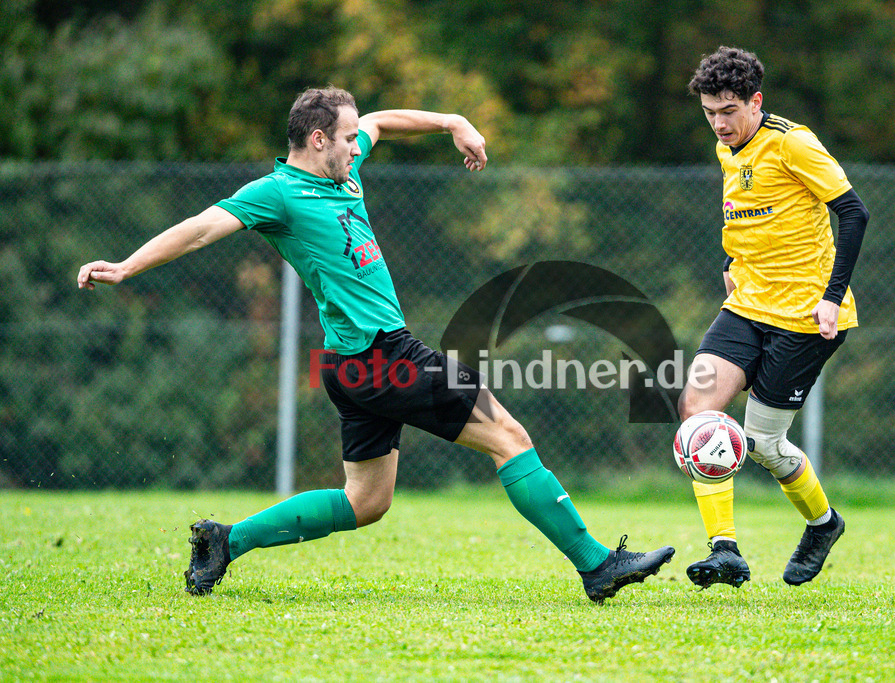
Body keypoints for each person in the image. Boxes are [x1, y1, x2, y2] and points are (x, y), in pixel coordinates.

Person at [77, 86, 674, 603]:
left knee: (365, 501)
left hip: (352, 364)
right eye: (344, 138)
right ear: (316, 140)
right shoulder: (278, 193)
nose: (356, 144)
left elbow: (382, 121)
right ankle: (598, 566)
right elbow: (205, 226)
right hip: (383, 356)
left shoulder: (344, 164)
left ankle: (224, 540)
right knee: (509, 437)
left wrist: (451, 124)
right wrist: (128, 267)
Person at [680, 47, 869, 588]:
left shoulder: (793, 143)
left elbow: (854, 213)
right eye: (710, 111)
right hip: (746, 305)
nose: (719, 123)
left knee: (763, 445)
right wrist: (729, 263)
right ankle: (725, 549)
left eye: (729, 110)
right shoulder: (727, 148)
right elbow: (744, 216)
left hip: (806, 315)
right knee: (697, 409)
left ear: (755, 101)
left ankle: (823, 523)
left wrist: (833, 297)